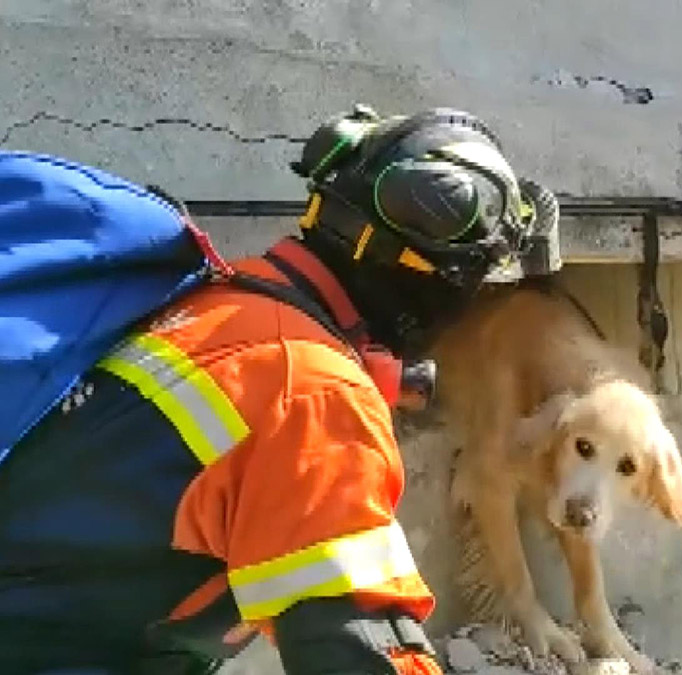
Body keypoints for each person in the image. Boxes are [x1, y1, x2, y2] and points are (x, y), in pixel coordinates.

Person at [0, 104, 557, 675]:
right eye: (479, 283)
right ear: (439, 279)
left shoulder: (222, 306)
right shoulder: (316, 395)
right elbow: (364, 651)